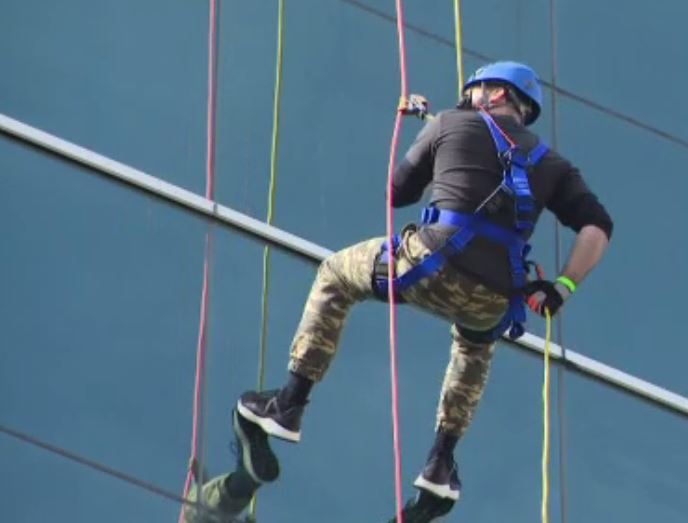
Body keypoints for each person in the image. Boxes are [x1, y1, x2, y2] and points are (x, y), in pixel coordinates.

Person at [185, 61, 612, 522]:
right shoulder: (553, 165)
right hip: (494, 294)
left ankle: (288, 405)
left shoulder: (451, 123)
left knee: (335, 275)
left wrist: (432, 139)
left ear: (491, 93)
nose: (467, 100)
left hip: (428, 263)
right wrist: (562, 287)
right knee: (474, 348)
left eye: (473, 93)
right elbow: (598, 226)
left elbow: (397, 191)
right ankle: (441, 463)